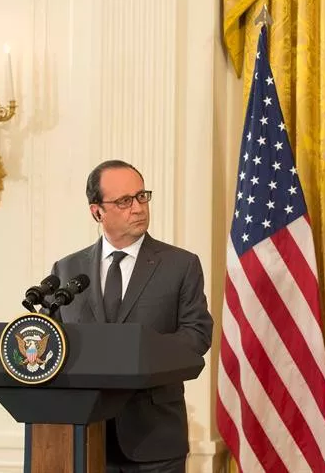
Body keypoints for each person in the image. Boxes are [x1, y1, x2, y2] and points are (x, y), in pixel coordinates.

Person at [50, 160, 213, 473]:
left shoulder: (180, 265)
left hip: (154, 440)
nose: (138, 208)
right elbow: (55, 342)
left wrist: (135, 358)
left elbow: (197, 335)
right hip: (84, 437)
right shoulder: (67, 271)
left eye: (142, 196)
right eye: (124, 201)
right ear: (97, 212)